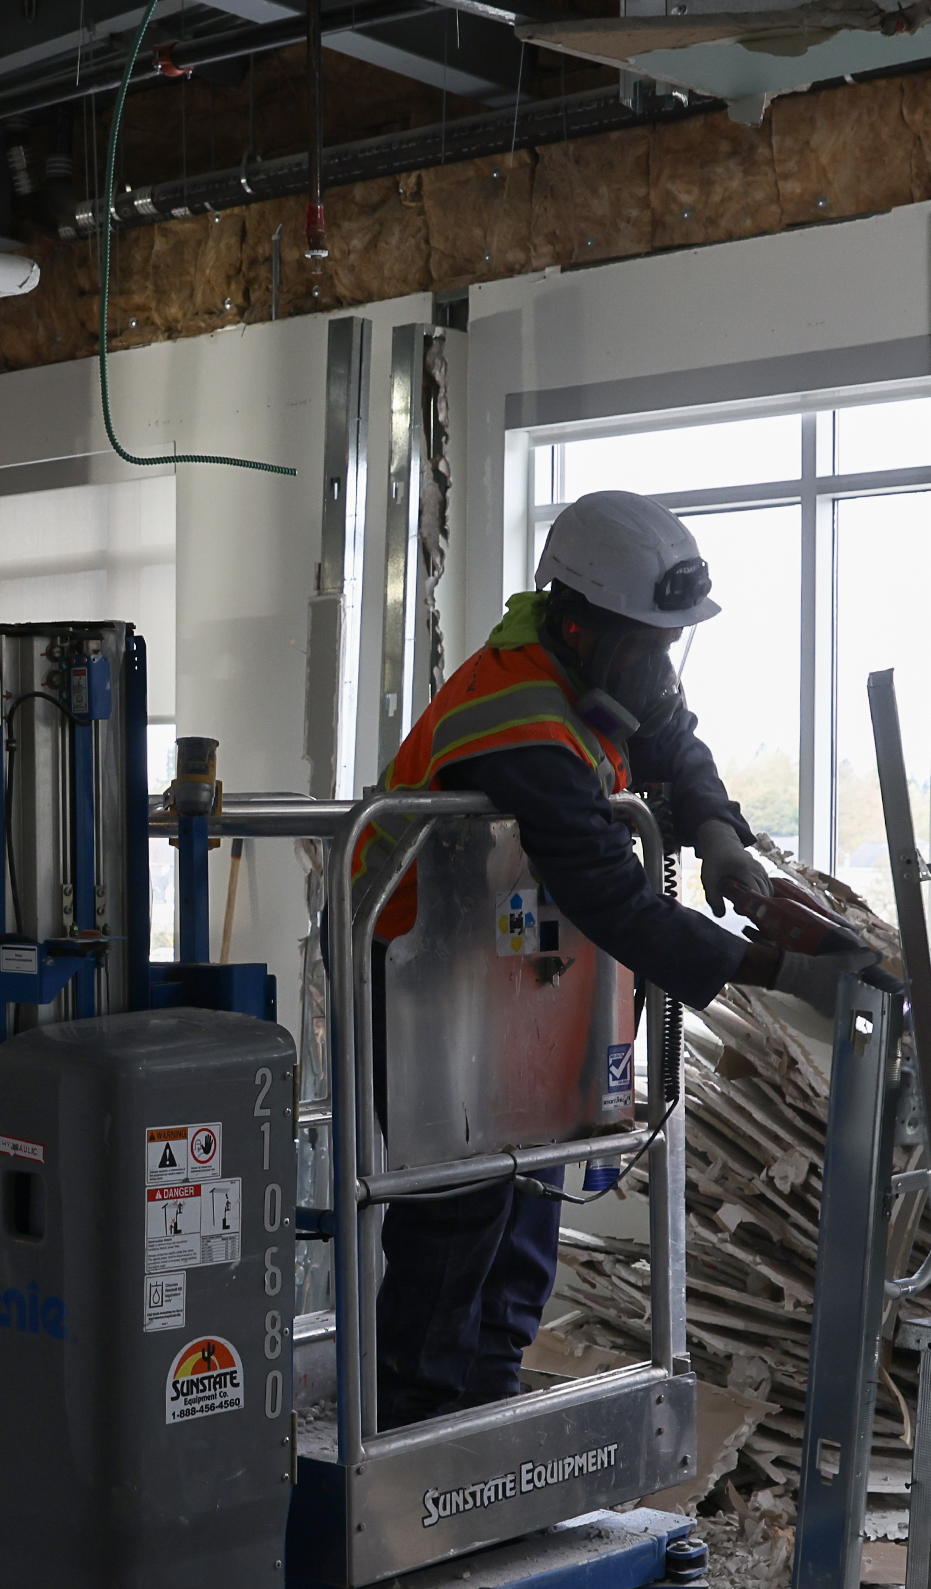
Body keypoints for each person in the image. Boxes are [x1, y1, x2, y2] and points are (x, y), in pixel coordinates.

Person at [361, 489, 889, 1427]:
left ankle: (487, 1420)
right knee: (457, 1215)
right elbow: (615, 898)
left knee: (531, 1190)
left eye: (669, 644)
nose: (662, 668)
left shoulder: (598, 672)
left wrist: (719, 834)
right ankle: (417, 1431)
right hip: (420, 981)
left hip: (511, 976)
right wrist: (782, 971)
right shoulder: (517, 716)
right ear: (578, 622)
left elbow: (674, 738)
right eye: (650, 645)